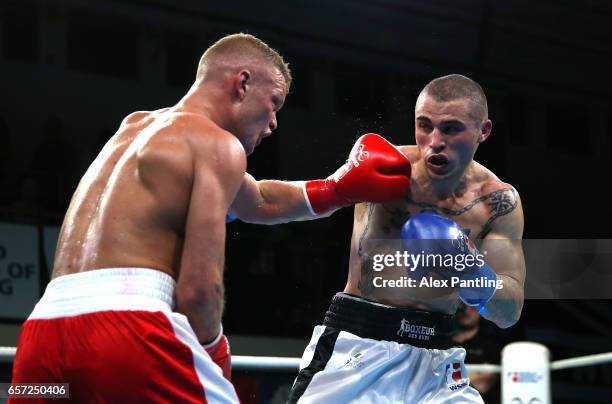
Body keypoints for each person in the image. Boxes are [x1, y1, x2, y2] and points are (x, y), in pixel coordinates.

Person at [9, 34, 412, 403]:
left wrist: (336, 189)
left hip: (41, 338)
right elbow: (199, 290)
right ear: (242, 83)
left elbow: (258, 201)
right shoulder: (218, 145)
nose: (274, 124)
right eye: (274, 103)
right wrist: (212, 346)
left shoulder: (132, 129)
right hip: (126, 334)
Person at [287, 74, 525, 403]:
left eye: (451, 128)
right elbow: (311, 203)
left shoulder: (497, 203)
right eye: (424, 125)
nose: (434, 141)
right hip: (358, 345)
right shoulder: (383, 169)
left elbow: (509, 311)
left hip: (437, 357)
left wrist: (470, 270)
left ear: (483, 131)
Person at [452, 304, 502, 403]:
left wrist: (447, 376)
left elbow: (483, 384)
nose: (466, 310)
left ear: (480, 312)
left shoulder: (490, 347)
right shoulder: (442, 344)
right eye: (462, 306)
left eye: (472, 307)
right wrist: (474, 375)